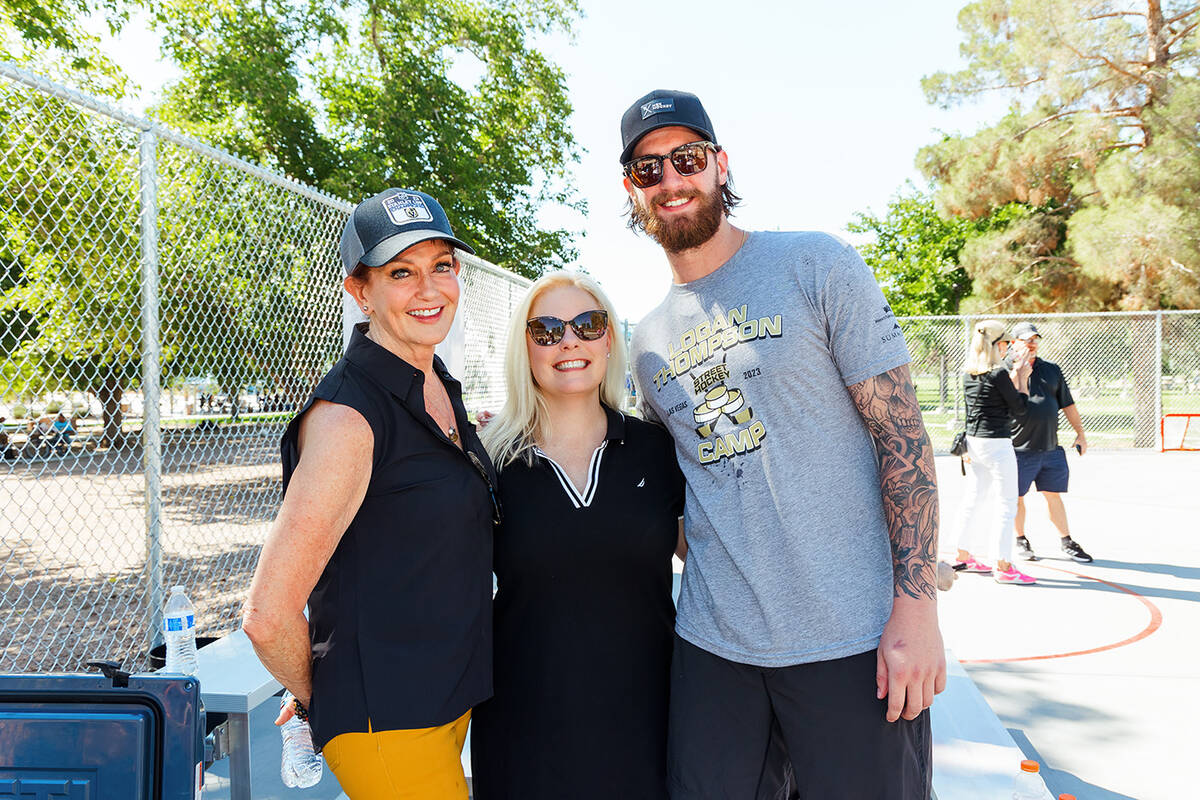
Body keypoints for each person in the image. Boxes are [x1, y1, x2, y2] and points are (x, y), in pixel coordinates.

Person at [619, 89, 945, 799]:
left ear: (719, 165)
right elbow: (688, 492)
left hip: (851, 640)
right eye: (650, 170)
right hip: (714, 652)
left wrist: (917, 612)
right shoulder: (645, 343)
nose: (671, 180)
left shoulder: (815, 265)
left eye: (687, 159)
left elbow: (904, 442)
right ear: (632, 190)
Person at [242, 188, 499, 800]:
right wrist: (318, 695)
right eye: (401, 272)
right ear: (361, 291)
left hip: (442, 701)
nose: (429, 288)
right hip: (388, 723)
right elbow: (266, 615)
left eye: (442, 265)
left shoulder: (432, 381)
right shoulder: (348, 417)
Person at [469, 271, 688, 800]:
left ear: (610, 339)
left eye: (588, 325)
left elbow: (719, 554)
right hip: (525, 727)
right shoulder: (488, 460)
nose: (568, 341)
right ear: (525, 349)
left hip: (647, 721)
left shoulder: (657, 449)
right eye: (545, 330)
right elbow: (432, 577)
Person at [949, 319, 1034, 584]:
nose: (1008, 348)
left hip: (975, 442)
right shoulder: (997, 374)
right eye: (1006, 343)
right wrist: (1021, 377)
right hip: (996, 443)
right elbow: (1021, 410)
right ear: (997, 345)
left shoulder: (968, 373)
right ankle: (1003, 565)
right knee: (1006, 504)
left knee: (974, 498)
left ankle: (963, 554)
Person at [1007, 321, 1095, 563]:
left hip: (1049, 447)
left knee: (1053, 494)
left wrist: (1080, 433)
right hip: (1018, 448)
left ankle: (1067, 541)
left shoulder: (1052, 369)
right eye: (1026, 339)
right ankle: (1020, 539)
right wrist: (1018, 367)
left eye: (1035, 338)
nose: (1032, 343)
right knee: (1016, 496)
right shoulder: (1004, 369)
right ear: (1014, 342)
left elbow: (1067, 403)